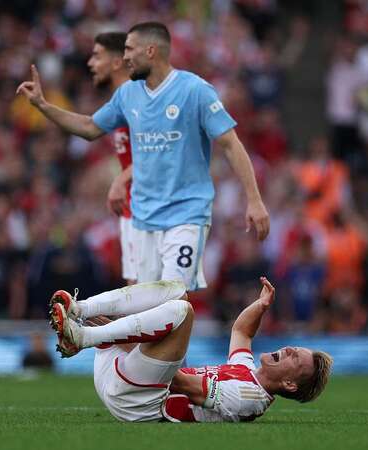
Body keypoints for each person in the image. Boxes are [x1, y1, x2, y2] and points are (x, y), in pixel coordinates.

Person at [17, 22, 269, 291]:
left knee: (171, 294)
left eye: (129, 49)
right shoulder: (127, 94)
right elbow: (90, 127)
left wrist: (254, 200)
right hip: (143, 219)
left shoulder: (195, 90)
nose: (124, 57)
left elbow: (231, 144)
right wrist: (44, 106)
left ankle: (85, 315)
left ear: (150, 51)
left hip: (186, 214)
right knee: (148, 306)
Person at [49, 277, 332, 423]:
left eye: (296, 358)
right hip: (127, 378)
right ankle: (81, 309)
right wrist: (261, 306)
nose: (290, 349)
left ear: (289, 383)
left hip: (139, 405)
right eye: (296, 348)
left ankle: (84, 336)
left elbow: (179, 382)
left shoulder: (250, 397)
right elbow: (242, 331)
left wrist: (117, 334)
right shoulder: (249, 373)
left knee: (183, 312)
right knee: (177, 292)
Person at [87, 31, 136, 285]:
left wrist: (121, 180)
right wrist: (43, 106)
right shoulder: (120, 101)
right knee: (135, 287)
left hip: (154, 204)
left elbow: (161, 151)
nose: (90, 63)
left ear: (117, 61)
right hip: (133, 204)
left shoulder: (140, 97)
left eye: (97, 56)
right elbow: (88, 128)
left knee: (153, 292)